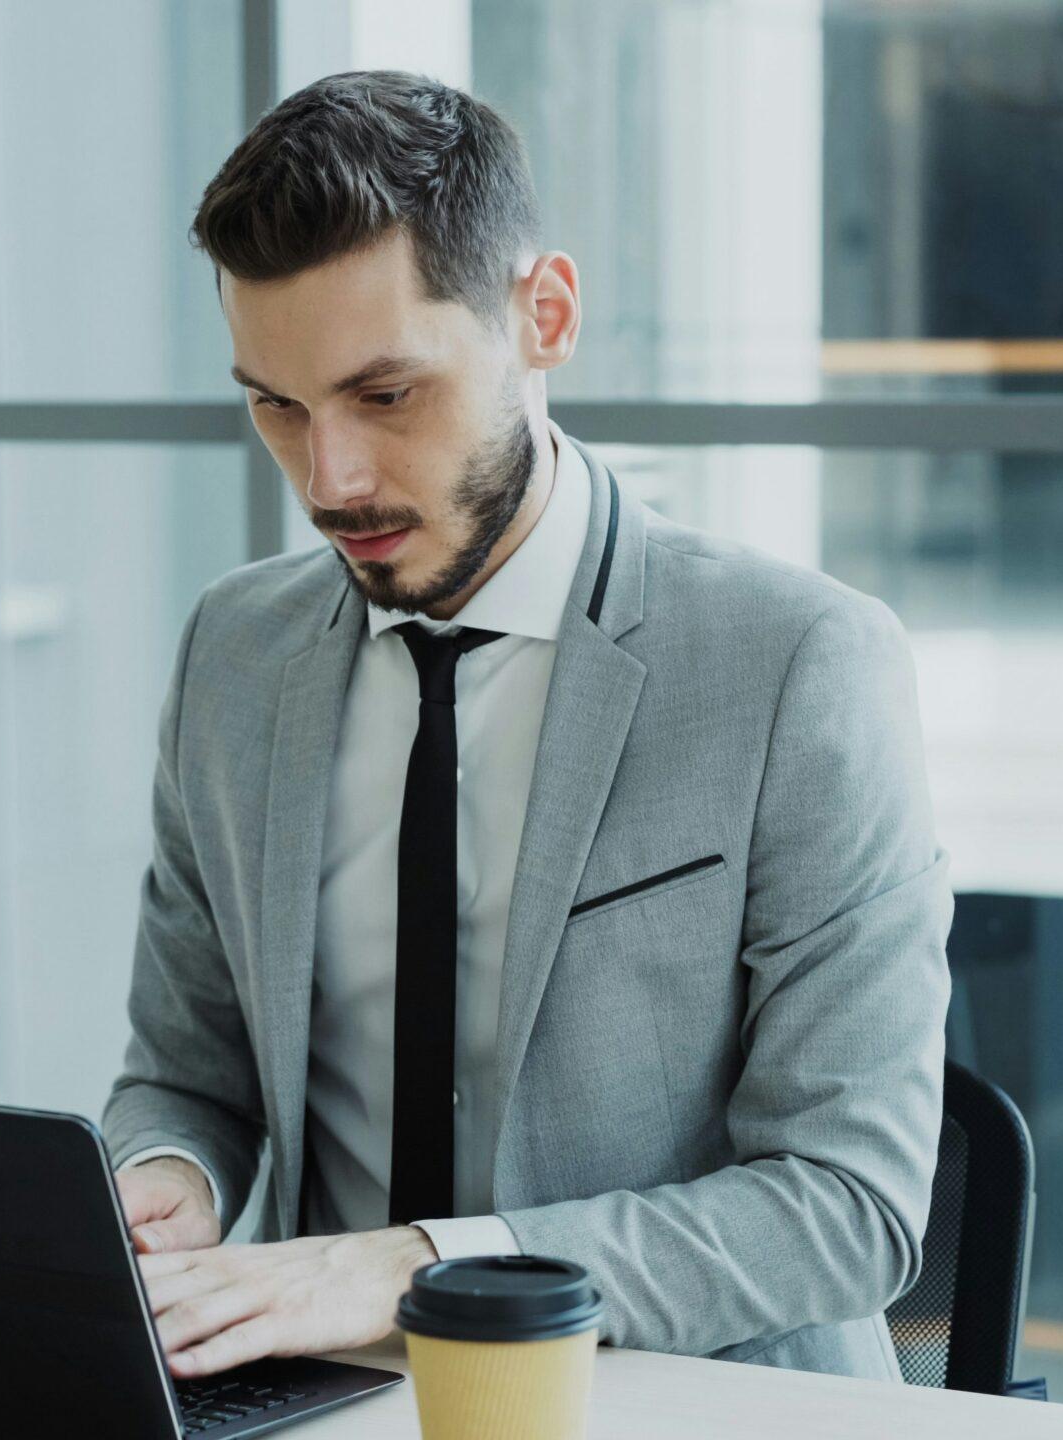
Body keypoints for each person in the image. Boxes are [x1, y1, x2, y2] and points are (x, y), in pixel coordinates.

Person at [104, 69, 951, 1385]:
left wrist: (412, 1265)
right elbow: (185, 1068)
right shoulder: (235, 654)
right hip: (311, 1400)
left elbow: (848, 1206)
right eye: (277, 403)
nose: (330, 481)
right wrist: (167, 1178)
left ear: (543, 316)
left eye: (386, 396)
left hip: (683, 1398)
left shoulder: (798, 667)